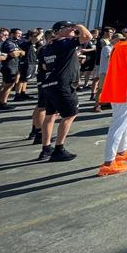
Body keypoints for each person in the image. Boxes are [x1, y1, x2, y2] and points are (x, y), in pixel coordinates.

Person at [37, 21, 92, 162]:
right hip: (63, 85)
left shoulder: (46, 48)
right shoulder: (64, 42)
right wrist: (78, 25)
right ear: (59, 31)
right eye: (68, 28)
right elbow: (87, 36)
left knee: (50, 115)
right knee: (69, 115)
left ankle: (46, 148)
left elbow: (44, 66)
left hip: (49, 83)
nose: (72, 30)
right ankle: (59, 149)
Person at [97, 22, 127, 176]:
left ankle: (121, 151)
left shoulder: (121, 45)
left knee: (126, 122)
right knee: (119, 124)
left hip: (122, 87)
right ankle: (109, 161)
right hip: (125, 89)